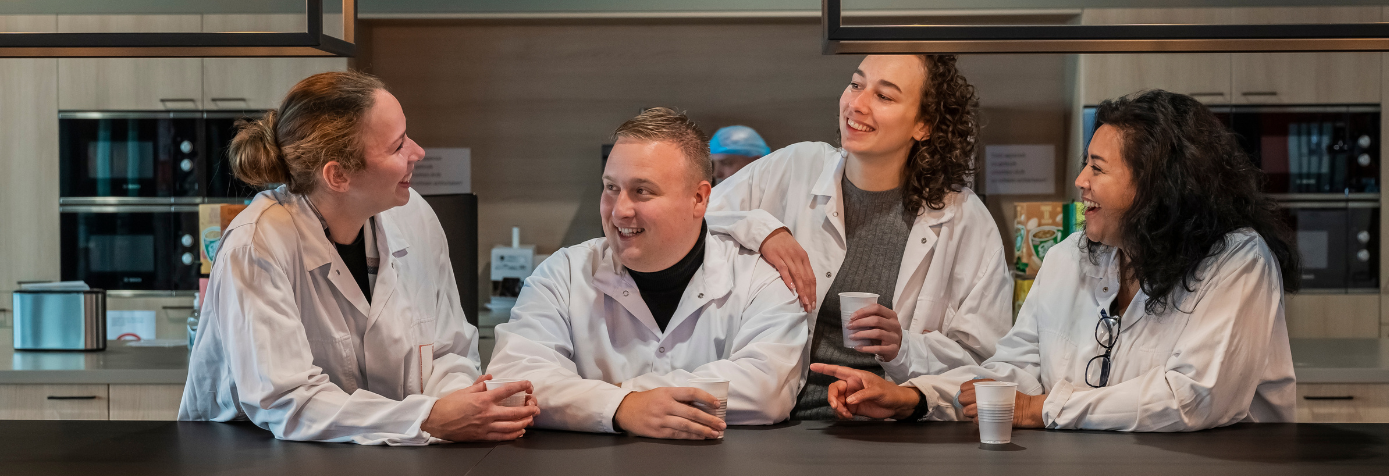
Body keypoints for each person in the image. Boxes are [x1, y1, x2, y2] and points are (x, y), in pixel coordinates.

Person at [812, 89, 1300, 431]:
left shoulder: (1237, 262)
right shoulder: (1070, 258)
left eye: (1098, 167)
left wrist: (1043, 409)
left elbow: (1193, 399)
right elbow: (1015, 373)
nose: (1080, 181)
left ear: (1158, 184)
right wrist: (917, 398)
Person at [179, 72, 539, 444]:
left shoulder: (413, 214)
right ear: (338, 176)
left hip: (386, 455)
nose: (418, 152)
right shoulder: (256, 245)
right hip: (248, 457)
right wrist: (429, 418)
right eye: (398, 146)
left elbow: (448, 348)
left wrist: (461, 405)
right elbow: (289, 403)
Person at [706, 55, 1013, 420]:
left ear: (923, 125)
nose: (857, 104)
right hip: (763, 418)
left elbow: (987, 361)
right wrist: (763, 230)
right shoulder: (794, 167)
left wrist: (904, 348)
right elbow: (693, 214)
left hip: (886, 430)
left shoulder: (965, 220)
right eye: (856, 84)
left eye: (884, 97)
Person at [487, 107, 808, 440]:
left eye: (643, 191)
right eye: (611, 188)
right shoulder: (564, 273)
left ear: (699, 198)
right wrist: (622, 407)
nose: (620, 210)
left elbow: (766, 390)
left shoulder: (760, 277)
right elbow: (512, 382)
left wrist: (623, 394)